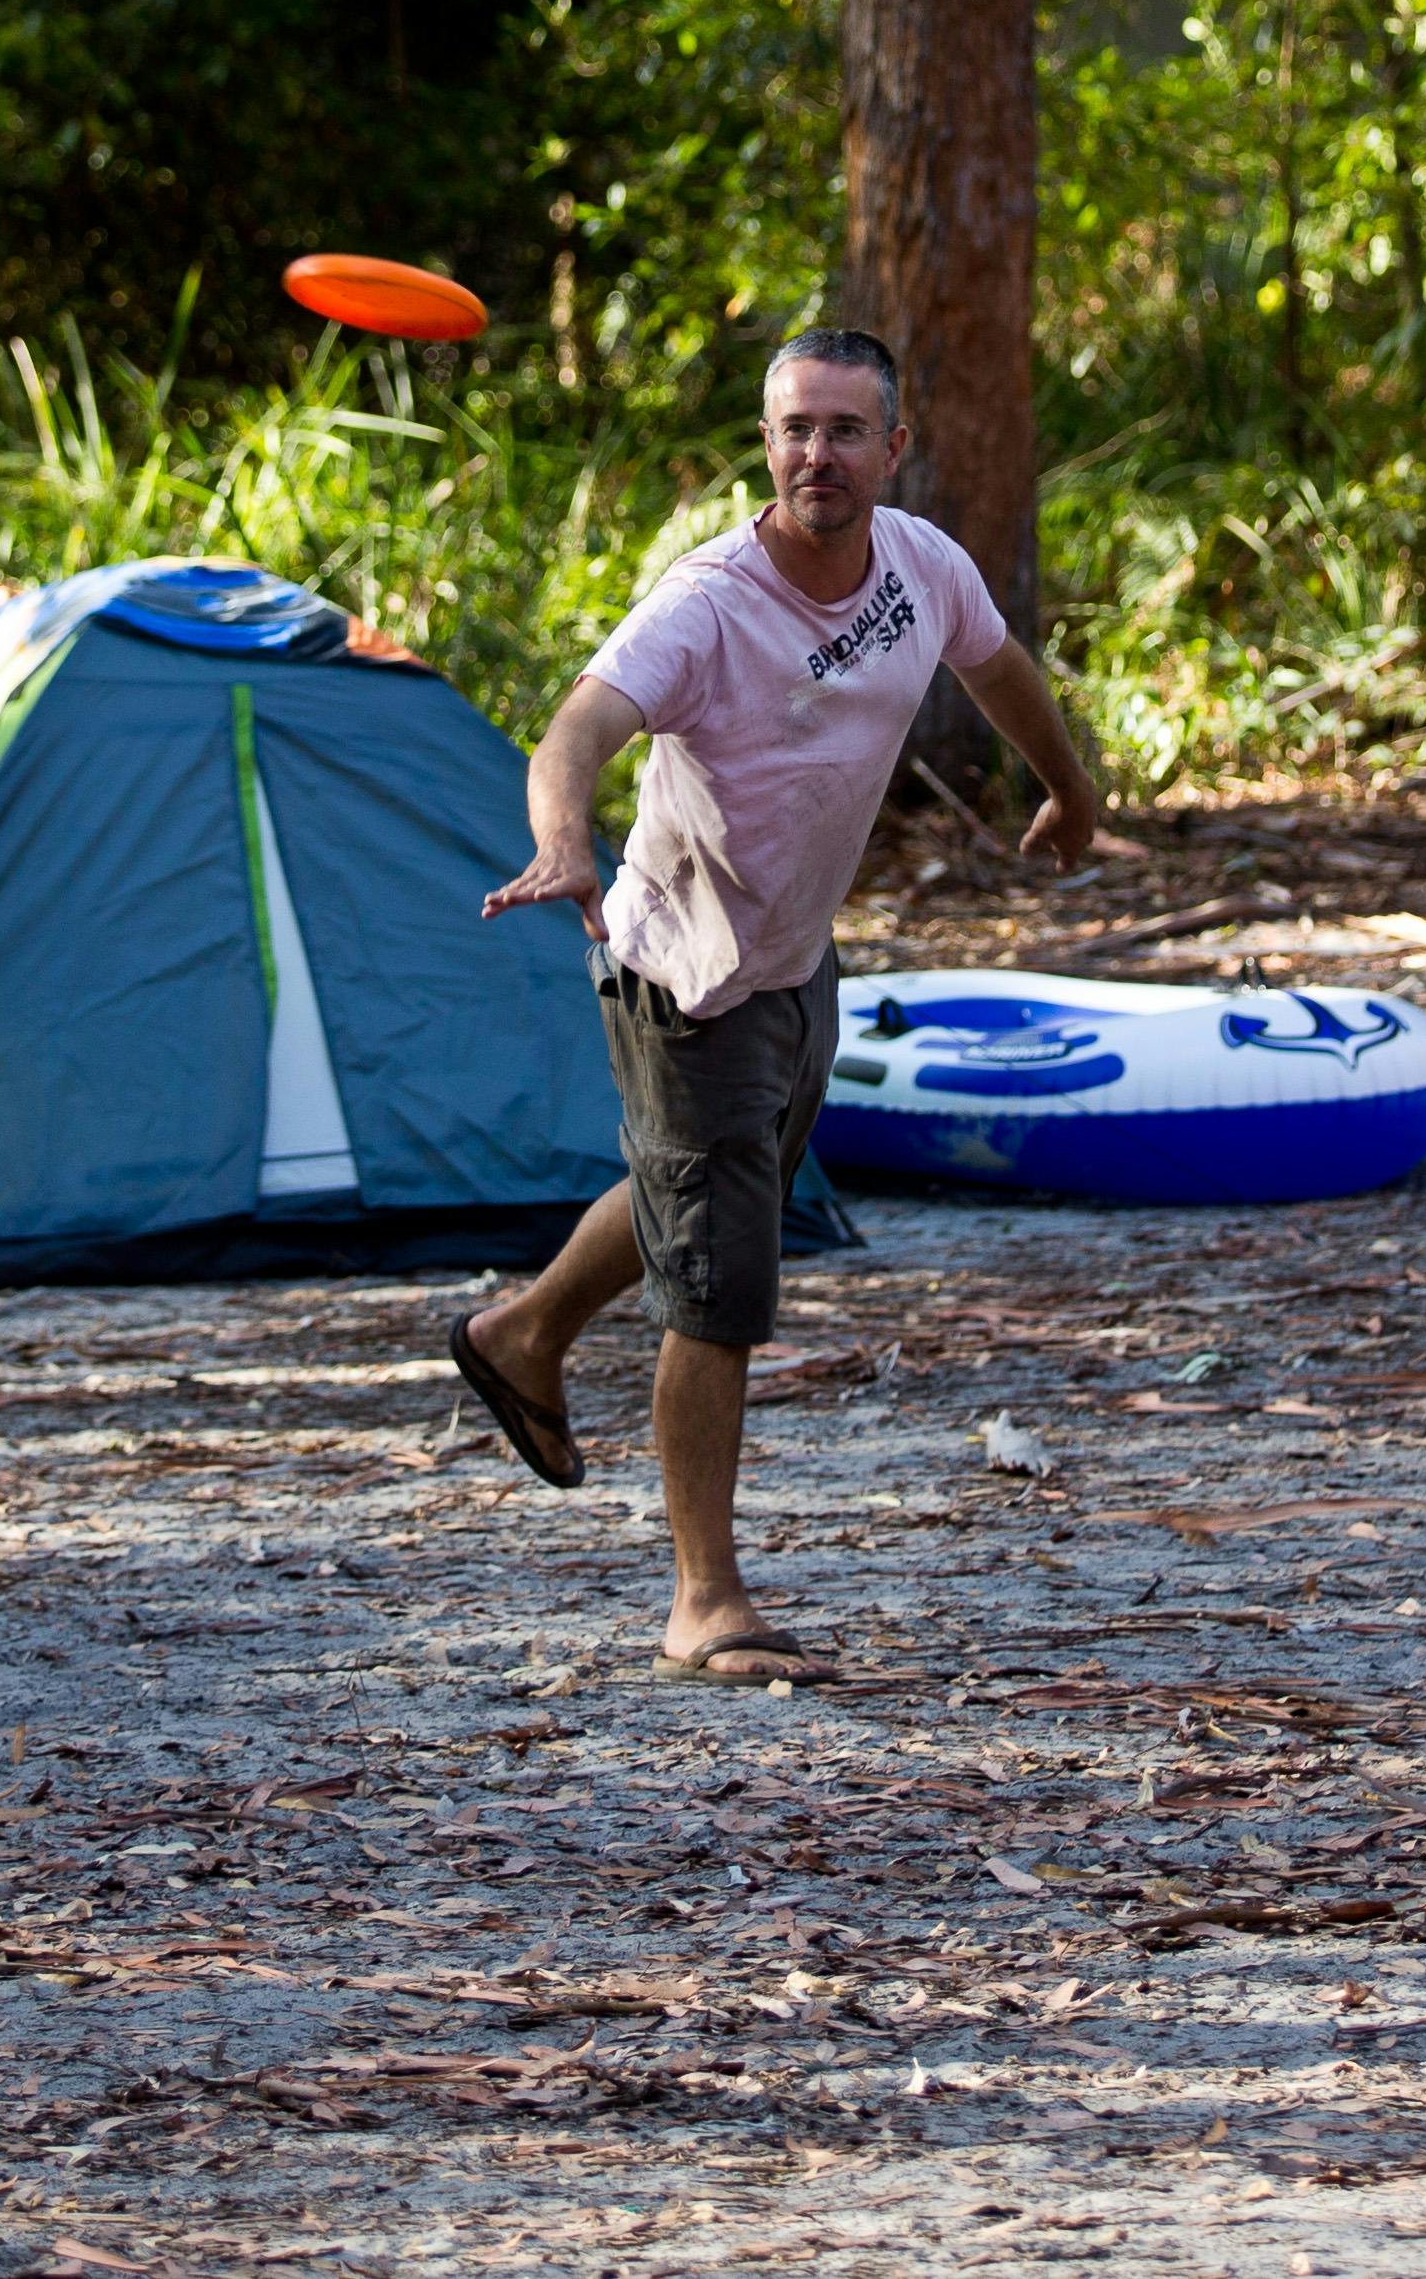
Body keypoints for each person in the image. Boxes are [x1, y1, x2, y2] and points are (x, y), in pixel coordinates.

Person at [460, 326, 1101, 1686]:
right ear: (766, 445)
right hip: (684, 971)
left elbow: (997, 666)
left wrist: (1070, 789)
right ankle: (705, 1600)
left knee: (709, 1190)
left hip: (796, 956)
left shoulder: (922, 566)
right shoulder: (707, 604)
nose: (819, 453)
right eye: (796, 429)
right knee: (722, 1284)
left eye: (845, 430)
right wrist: (565, 841)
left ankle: (522, 1332)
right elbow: (576, 728)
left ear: (892, 447)